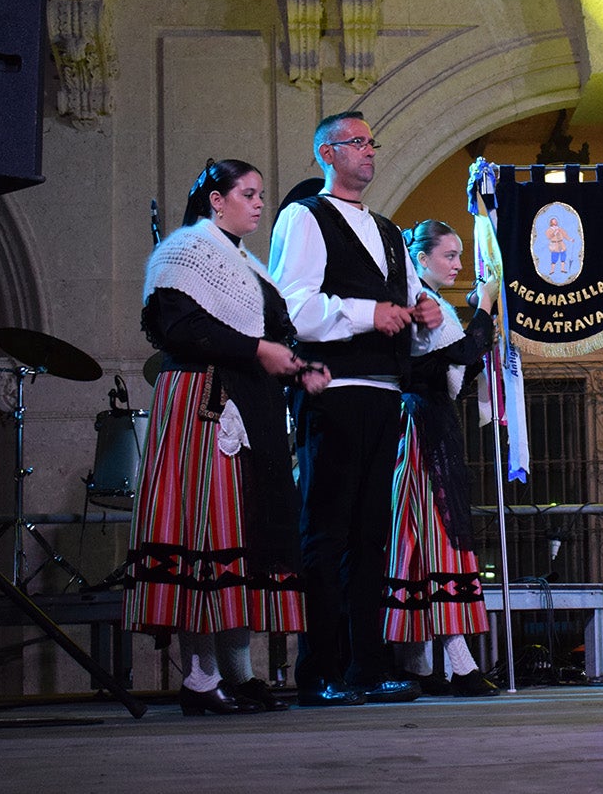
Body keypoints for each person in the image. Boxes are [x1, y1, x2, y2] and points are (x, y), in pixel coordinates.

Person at [122, 158, 329, 716]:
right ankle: (199, 677)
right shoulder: (184, 252)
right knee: (206, 533)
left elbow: (272, 331)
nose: (260, 203)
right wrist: (256, 351)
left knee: (246, 533)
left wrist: (299, 366)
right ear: (216, 199)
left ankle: (238, 674)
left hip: (249, 406)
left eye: (262, 195)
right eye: (248, 193)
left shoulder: (248, 266)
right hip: (204, 406)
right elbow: (180, 328)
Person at [269, 111, 444, 706]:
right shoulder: (305, 217)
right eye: (357, 142)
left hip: (386, 393)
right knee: (326, 532)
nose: (370, 150)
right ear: (326, 153)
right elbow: (294, 307)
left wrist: (425, 318)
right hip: (335, 390)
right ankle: (319, 671)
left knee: (373, 536)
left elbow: (410, 314)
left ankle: (367, 665)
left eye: (372, 141)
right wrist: (368, 313)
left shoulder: (393, 232)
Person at [382, 220, 503, 696]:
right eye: (449, 255)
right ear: (423, 257)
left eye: (458, 255)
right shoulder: (421, 305)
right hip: (420, 431)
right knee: (433, 535)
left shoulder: (436, 308)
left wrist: (479, 316)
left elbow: (462, 363)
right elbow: (466, 348)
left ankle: (424, 662)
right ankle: (454, 662)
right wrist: (487, 305)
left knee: (429, 536)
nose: (457, 264)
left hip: (433, 424)